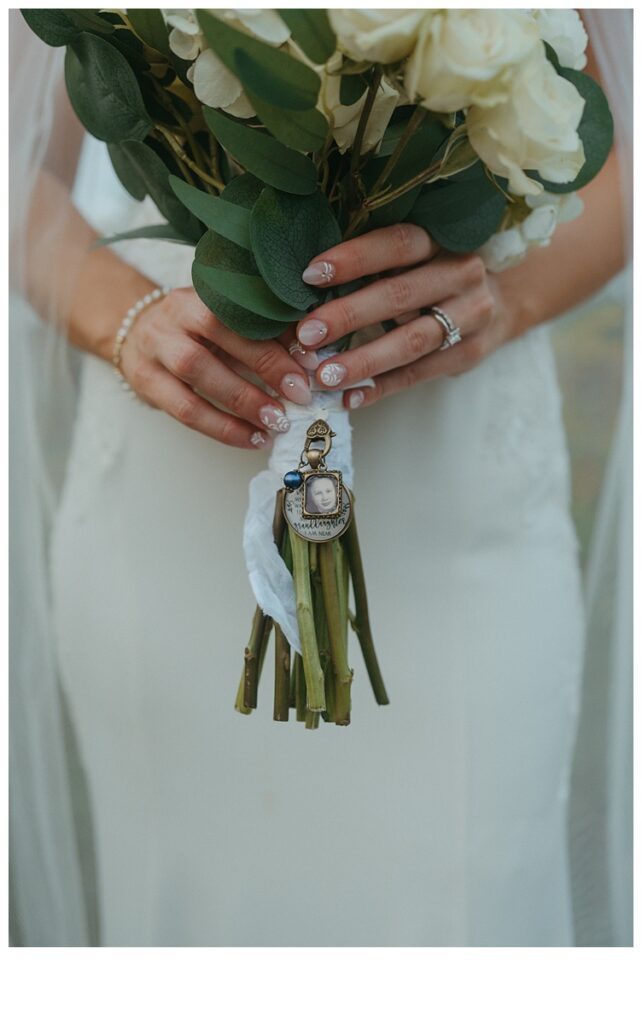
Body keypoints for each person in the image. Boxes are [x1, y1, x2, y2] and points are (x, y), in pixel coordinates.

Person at [9, 11, 631, 946]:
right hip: (176, 485)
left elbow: (613, 151)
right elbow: (18, 172)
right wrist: (125, 320)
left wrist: (506, 296)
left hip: (456, 499)